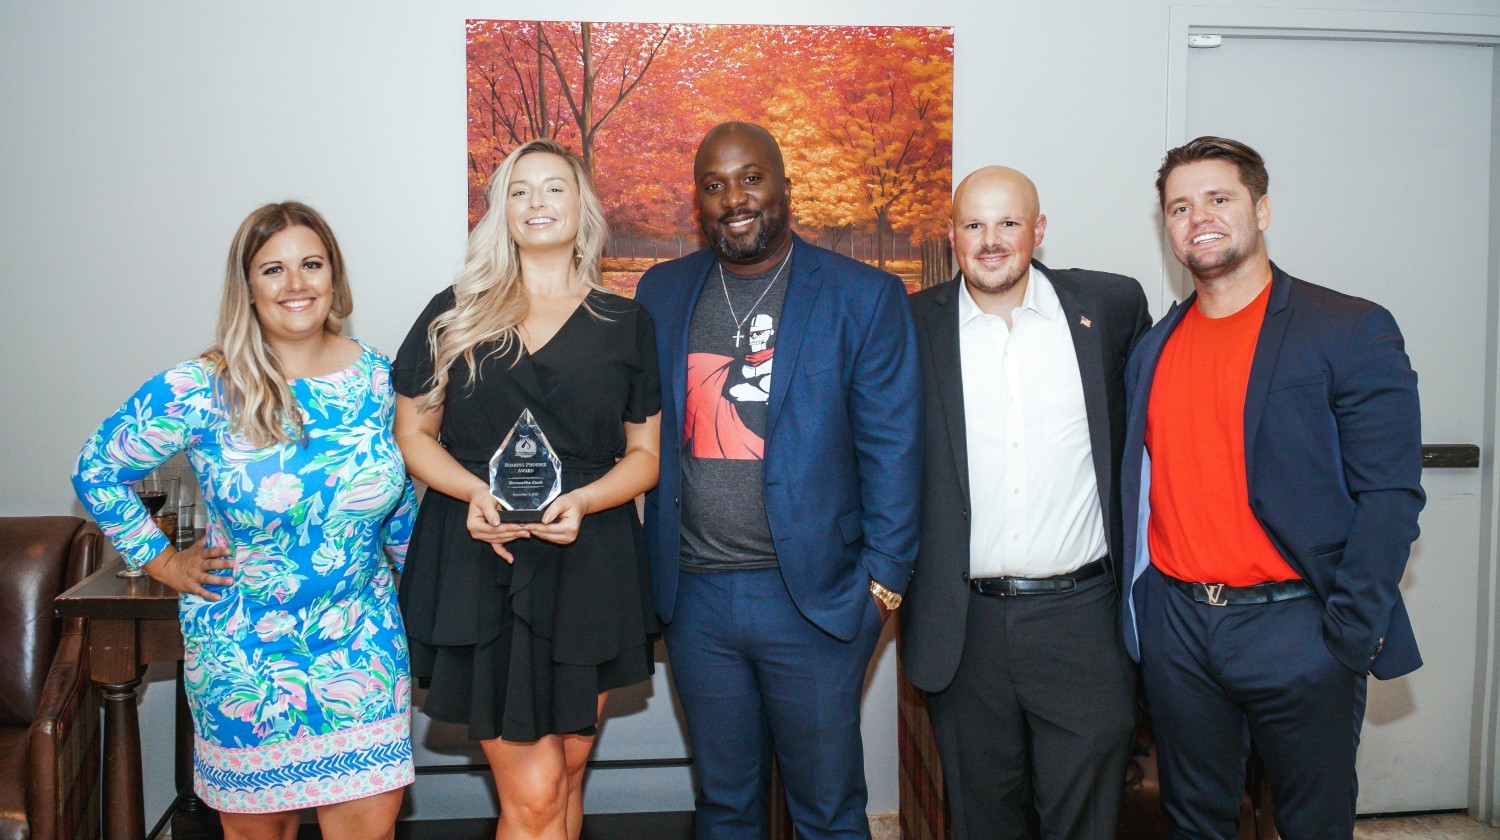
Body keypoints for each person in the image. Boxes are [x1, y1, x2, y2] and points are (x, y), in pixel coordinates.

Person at [73, 202, 417, 839]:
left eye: (311, 264)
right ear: (248, 287)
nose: (296, 284)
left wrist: (421, 588)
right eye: (273, 269)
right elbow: (96, 468)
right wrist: (163, 560)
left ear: (334, 278)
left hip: (363, 645)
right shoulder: (202, 385)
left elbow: (396, 503)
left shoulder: (377, 377)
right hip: (244, 655)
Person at [1120, 136, 1424, 838]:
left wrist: (1345, 634)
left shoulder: (1348, 328)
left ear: (1261, 208)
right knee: (1195, 820)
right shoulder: (1153, 348)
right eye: (1179, 207)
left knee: (1310, 823)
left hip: (1300, 628)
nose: (1199, 218)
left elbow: (1391, 497)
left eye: (1219, 199)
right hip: (1179, 629)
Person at [633, 121, 922, 839]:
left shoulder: (863, 296)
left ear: (784, 186)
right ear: (698, 201)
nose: (734, 197)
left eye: (751, 177)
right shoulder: (662, 292)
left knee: (826, 811)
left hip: (815, 600)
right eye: (714, 184)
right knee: (726, 808)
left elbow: (895, 450)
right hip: (695, 599)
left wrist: (878, 590)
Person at [392, 138, 661, 840]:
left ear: (582, 208)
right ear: (499, 210)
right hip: (482, 558)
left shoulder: (627, 322)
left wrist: (587, 499)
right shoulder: (453, 313)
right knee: (536, 795)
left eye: (553, 188)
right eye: (519, 189)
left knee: (568, 779)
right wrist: (469, 493)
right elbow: (414, 436)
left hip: (590, 558)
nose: (536, 203)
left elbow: (644, 457)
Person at [902, 166, 1150, 839]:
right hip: (964, 627)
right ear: (952, 236)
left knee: (1085, 821)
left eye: (1008, 222)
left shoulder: (1111, 309)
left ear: (1038, 231)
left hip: (1083, 623)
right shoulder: (909, 326)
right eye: (974, 224)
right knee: (983, 823)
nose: (991, 240)